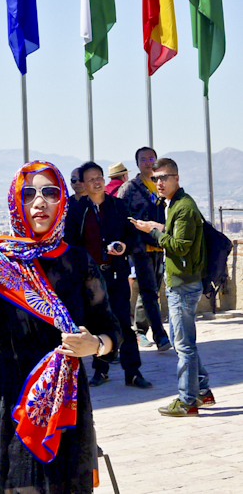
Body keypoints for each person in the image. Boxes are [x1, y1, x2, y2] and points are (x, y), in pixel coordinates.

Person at [0, 161, 120, 494]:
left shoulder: (79, 261)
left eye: (50, 192)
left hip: (67, 401)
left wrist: (95, 345)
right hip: (13, 399)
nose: (39, 202)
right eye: (28, 194)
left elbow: (113, 330)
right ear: (16, 202)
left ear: (62, 201)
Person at [131, 158, 215, 416]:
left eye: (164, 178)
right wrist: (157, 227)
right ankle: (202, 390)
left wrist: (155, 233)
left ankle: (187, 401)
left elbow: (180, 246)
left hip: (183, 286)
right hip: (182, 282)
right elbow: (178, 237)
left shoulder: (184, 207)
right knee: (186, 341)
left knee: (184, 345)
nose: (159, 183)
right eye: (155, 178)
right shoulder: (175, 205)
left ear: (176, 178)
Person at [65, 161, 152, 389]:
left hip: (115, 274)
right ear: (83, 184)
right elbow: (70, 243)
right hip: (90, 279)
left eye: (99, 177)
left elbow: (132, 235)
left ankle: (132, 371)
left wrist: (124, 246)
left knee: (124, 323)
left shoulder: (117, 206)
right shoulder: (76, 210)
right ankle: (101, 369)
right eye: (91, 178)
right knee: (96, 325)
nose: (96, 181)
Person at [118, 147, 171, 351]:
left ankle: (140, 331)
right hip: (140, 248)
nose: (148, 162)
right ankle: (160, 335)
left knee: (151, 291)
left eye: (152, 158)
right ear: (137, 163)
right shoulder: (130, 188)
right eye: (144, 159)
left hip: (160, 245)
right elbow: (122, 217)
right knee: (149, 291)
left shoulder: (161, 185)